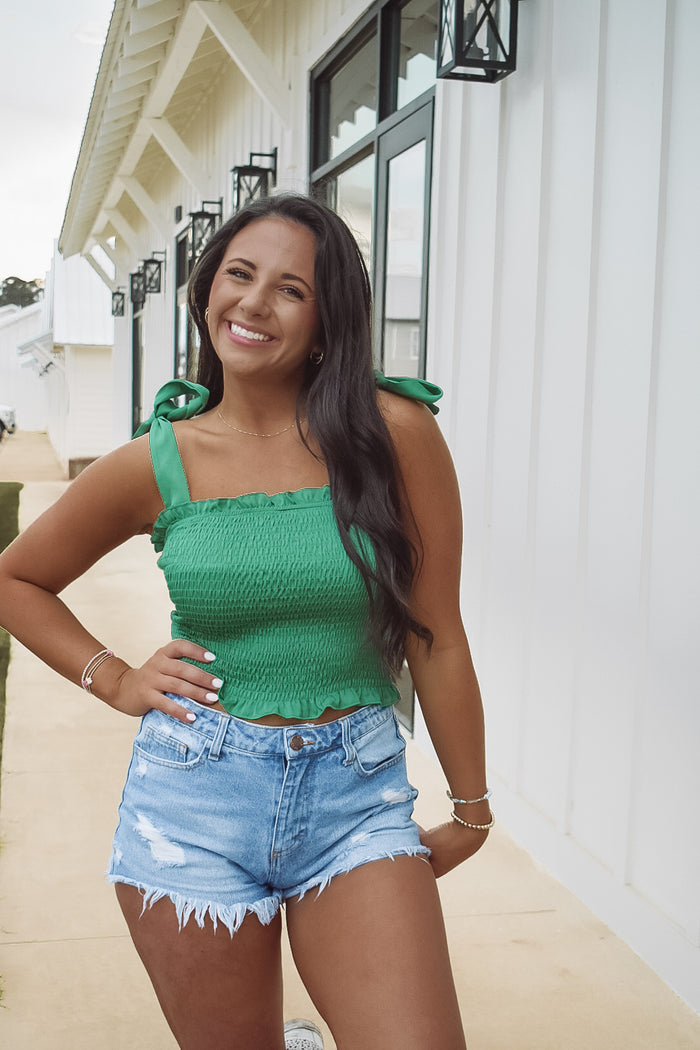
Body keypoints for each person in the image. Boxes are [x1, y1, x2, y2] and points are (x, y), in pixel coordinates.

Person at [0, 193, 491, 1049]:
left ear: (328, 320)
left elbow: (437, 636)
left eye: (291, 289)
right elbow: (18, 579)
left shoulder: (392, 433)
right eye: (239, 274)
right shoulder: (157, 460)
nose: (255, 303)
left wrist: (471, 807)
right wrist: (115, 678)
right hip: (192, 803)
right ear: (207, 291)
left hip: (355, 798)